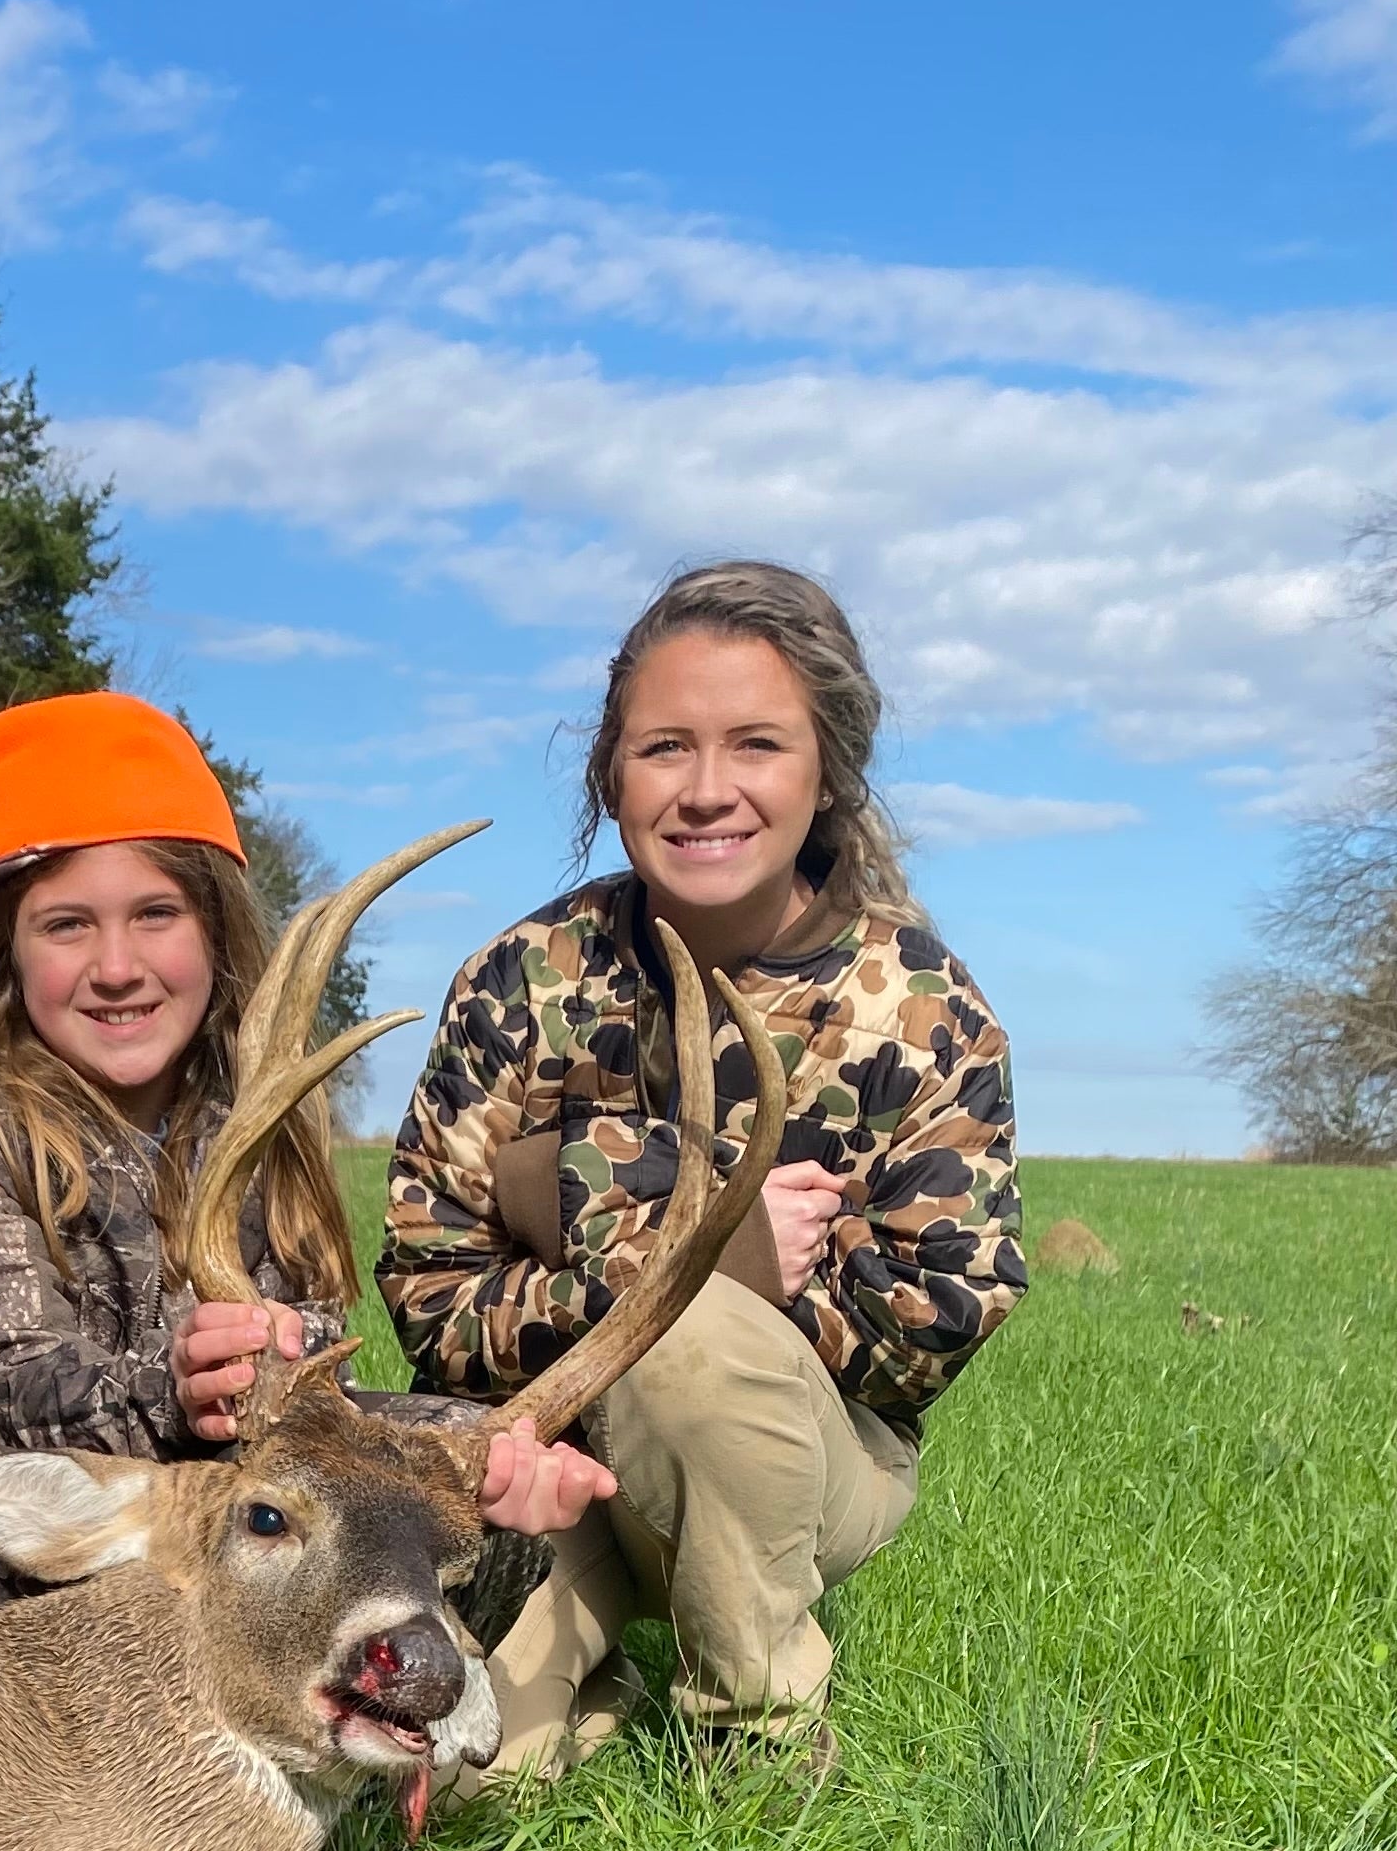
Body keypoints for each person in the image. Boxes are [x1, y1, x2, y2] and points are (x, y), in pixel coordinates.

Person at [0, 691, 609, 1619]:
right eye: (66, 925)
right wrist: (172, 1386)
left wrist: (475, 1466)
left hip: (212, 1481)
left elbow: (308, 1395)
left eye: (156, 915)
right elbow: (3, 1384)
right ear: (11, 953)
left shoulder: (259, 1119)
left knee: (468, 1467)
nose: (116, 966)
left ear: (216, 932)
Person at [377, 561, 1026, 1773]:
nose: (708, 790)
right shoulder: (525, 980)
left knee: (698, 1353)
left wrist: (572, 1208)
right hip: (543, 1463)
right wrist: (676, 1241)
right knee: (463, 1773)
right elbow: (427, 1287)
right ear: (610, 774)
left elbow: (932, 1322)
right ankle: (606, 1678)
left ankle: (759, 1734)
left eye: (759, 745)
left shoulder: (922, 1008)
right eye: (665, 747)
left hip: (802, 1460)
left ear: (825, 771)